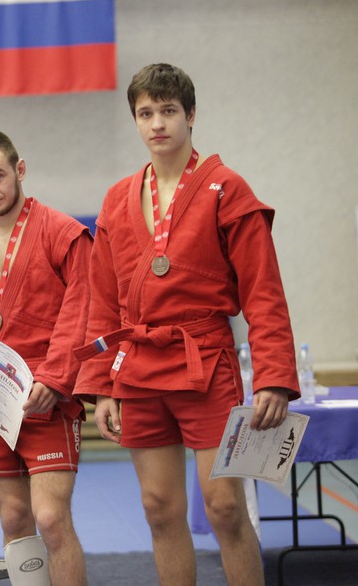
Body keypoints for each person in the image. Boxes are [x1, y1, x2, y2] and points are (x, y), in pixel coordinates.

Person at [74, 63, 299, 586]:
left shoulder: (227, 189)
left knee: (224, 507)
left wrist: (273, 377)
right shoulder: (117, 197)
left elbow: (264, 291)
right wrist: (102, 385)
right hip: (138, 367)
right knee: (158, 507)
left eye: (168, 111)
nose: (157, 124)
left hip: (206, 362)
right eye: (145, 113)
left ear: (191, 115)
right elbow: (102, 300)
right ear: (135, 119)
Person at [0, 130, 91, 586]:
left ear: (19, 169)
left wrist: (55, 378)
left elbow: (81, 311)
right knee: (13, 517)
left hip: (46, 398)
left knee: (50, 518)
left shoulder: (64, 234)